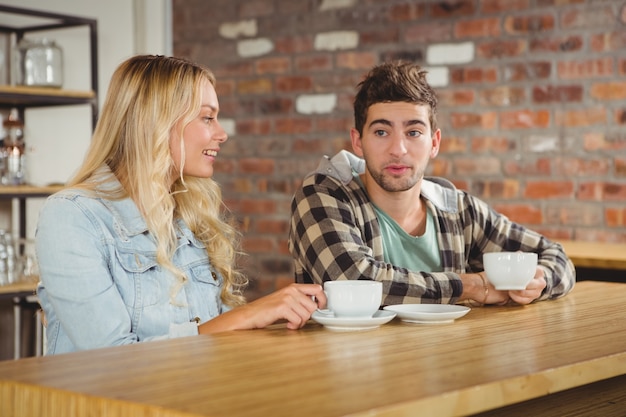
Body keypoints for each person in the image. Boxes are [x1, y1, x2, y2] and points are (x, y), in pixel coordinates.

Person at [35, 55, 326, 355]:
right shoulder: (71, 216)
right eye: (207, 117)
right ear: (157, 122)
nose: (221, 134)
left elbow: (219, 345)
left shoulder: (188, 216)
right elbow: (112, 356)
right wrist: (248, 315)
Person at [288, 61, 575, 307]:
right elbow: (356, 281)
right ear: (357, 142)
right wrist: (472, 286)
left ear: (434, 142)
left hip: (444, 365)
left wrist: (540, 281)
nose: (398, 149)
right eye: (381, 131)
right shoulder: (323, 196)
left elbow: (557, 257)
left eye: (413, 132)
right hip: (351, 367)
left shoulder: (458, 211)